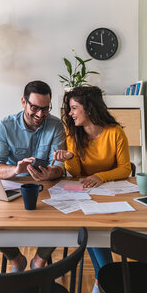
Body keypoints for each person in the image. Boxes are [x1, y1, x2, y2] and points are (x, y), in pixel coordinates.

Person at [53, 86, 131, 293]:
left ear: (89, 109)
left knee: (92, 227)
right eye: (70, 108)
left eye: (74, 108)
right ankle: (104, 278)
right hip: (85, 194)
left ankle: (100, 279)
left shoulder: (115, 132)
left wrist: (100, 177)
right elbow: (76, 174)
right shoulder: (73, 134)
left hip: (113, 193)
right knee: (88, 224)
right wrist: (70, 158)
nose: (70, 113)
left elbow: (125, 168)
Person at [0, 80, 66, 272]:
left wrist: (51, 172)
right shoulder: (5, 126)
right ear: (23, 102)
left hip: (46, 188)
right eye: (35, 108)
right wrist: (15, 170)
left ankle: (39, 261)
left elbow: (60, 167)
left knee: (65, 220)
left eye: (45, 109)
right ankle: (16, 259)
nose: (40, 114)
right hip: (12, 187)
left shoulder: (56, 125)